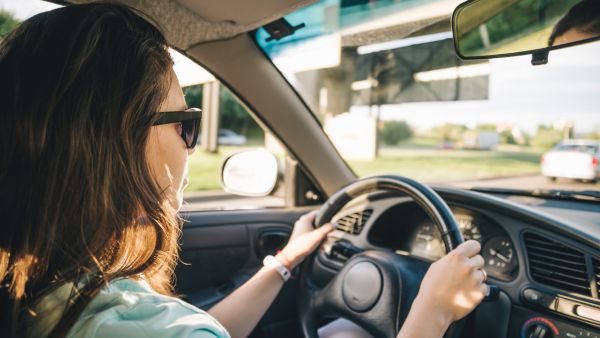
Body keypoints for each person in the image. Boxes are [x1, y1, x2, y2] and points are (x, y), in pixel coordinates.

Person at [0, 3, 487, 338]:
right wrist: (433, 312)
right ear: (116, 143)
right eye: (186, 124)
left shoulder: (52, 289)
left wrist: (284, 261)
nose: (191, 147)